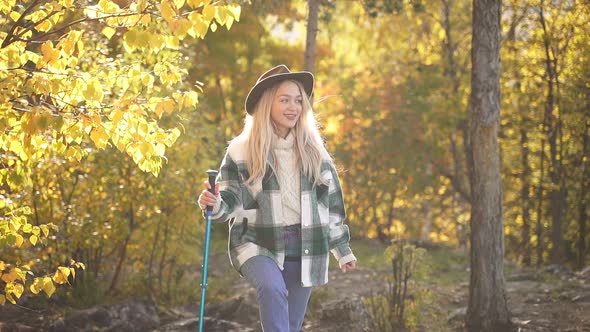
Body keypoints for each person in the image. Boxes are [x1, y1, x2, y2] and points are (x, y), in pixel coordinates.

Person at [198, 64, 357, 332]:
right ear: (266, 103)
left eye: (298, 100)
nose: (293, 107)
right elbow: (230, 199)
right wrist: (215, 204)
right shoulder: (242, 150)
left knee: (290, 326)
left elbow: (331, 206)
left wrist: (342, 250)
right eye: (284, 100)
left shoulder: (315, 153)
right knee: (272, 289)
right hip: (257, 241)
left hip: (307, 245)